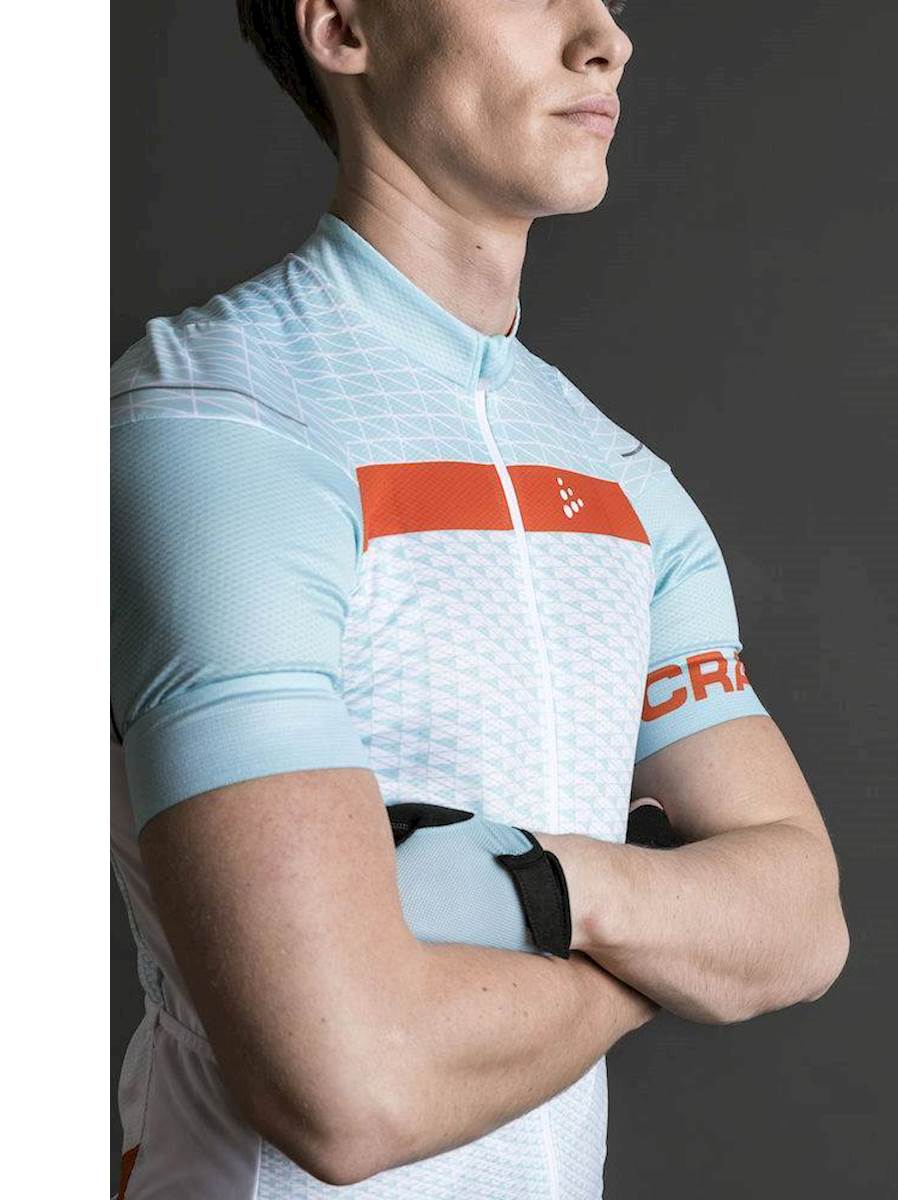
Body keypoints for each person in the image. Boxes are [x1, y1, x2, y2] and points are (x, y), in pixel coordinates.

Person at [110, 1, 850, 1196]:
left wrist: (538, 887)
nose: (605, 39)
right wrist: (663, 936)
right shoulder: (217, 431)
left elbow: (803, 923)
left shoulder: (622, 482)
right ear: (342, 26)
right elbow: (351, 1086)